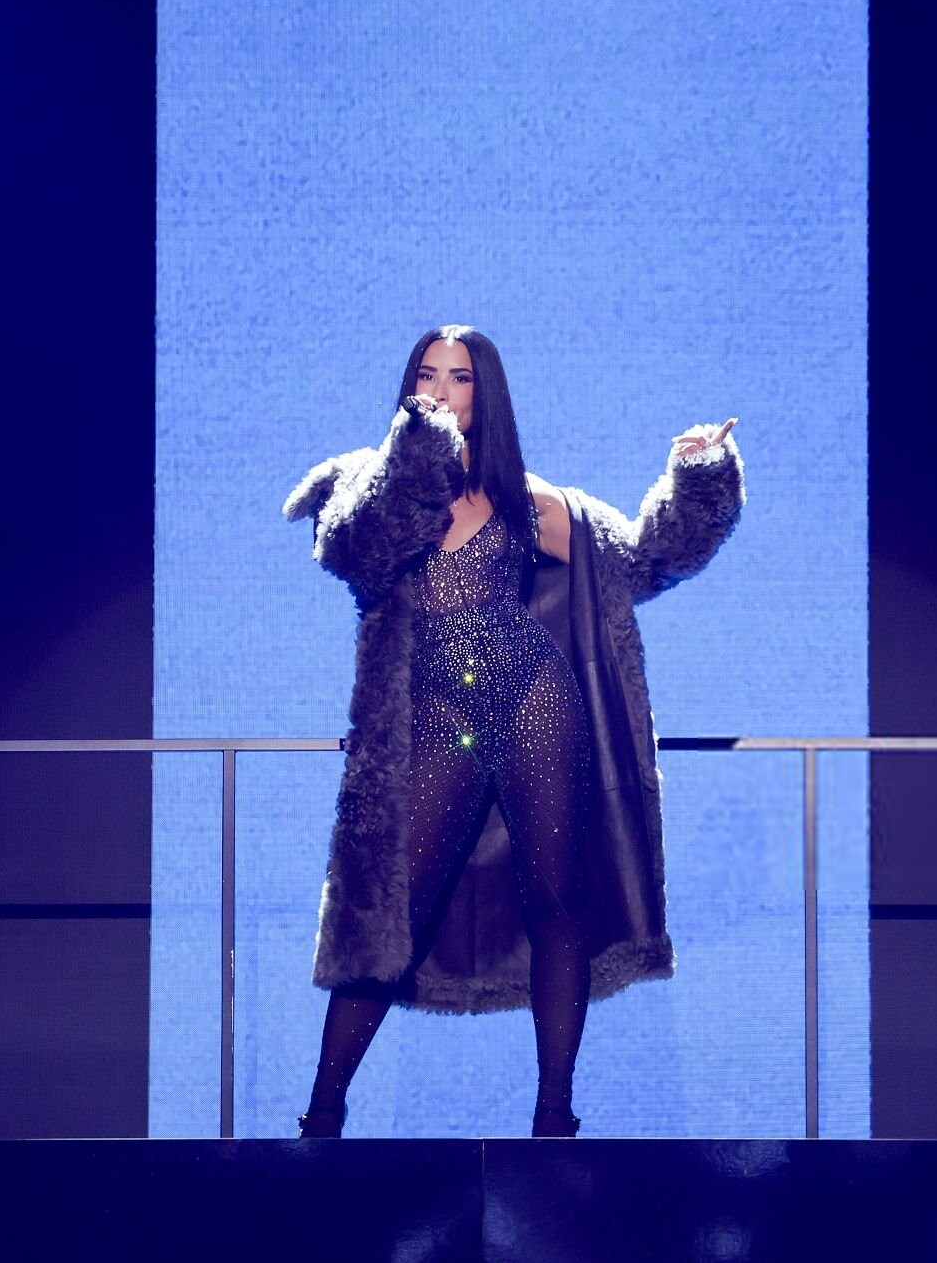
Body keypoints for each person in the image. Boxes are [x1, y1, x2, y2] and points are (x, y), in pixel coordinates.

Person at [283, 324, 742, 1138]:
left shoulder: (530, 500)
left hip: (534, 694)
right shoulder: (370, 483)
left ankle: (554, 1118)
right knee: (394, 906)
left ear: (482, 393)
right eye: (427, 375)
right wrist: (418, 454)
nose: (439, 389)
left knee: (556, 899)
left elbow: (645, 560)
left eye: (458, 377)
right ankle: (322, 1115)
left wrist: (699, 474)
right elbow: (354, 548)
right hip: (440, 713)